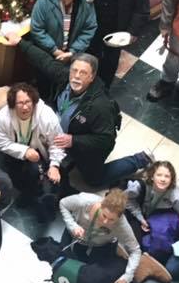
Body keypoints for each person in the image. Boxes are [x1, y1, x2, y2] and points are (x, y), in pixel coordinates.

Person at [18, 51, 150, 188]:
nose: (76, 76)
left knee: (93, 179)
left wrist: (73, 141)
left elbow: (106, 139)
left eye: (83, 73)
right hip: (68, 131)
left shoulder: (100, 106)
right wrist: (20, 42)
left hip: (91, 145)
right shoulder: (66, 78)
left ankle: (140, 159)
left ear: (92, 77)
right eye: (74, 70)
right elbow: (45, 62)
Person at [0, 83, 64, 224]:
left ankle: (38, 203)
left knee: (38, 176)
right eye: (20, 103)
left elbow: (57, 143)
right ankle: (27, 192)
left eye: (28, 102)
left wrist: (55, 165)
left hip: (40, 153)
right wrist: (24, 151)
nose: (25, 107)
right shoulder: (3, 117)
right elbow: (0, 142)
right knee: (16, 177)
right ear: (13, 104)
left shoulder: (47, 116)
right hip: (14, 151)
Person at [26, 0, 97, 97]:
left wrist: (73, 51)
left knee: (63, 89)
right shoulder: (44, 1)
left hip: (70, 56)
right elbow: (37, 29)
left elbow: (89, 28)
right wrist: (55, 50)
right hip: (46, 55)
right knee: (44, 89)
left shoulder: (86, 4)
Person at [58, 189, 142, 283]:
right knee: (62, 262)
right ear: (101, 205)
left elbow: (136, 250)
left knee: (95, 278)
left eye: (112, 219)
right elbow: (63, 203)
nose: (106, 222)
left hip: (100, 245)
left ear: (120, 217)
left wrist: (128, 275)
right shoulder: (84, 201)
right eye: (104, 215)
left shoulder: (122, 225)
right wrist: (72, 225)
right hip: (75, 234)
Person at [125, 161, 179, 263]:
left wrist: (152, 223)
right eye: (159, 175)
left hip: (157, 218)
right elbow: (127, 200)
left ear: (172, 179)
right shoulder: (140, 186)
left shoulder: (176, 197)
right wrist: (140, 218)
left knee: (158, 243)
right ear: (151, 177)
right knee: (132, 241)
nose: (163, 179)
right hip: (138, 214)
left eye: (167, 176)